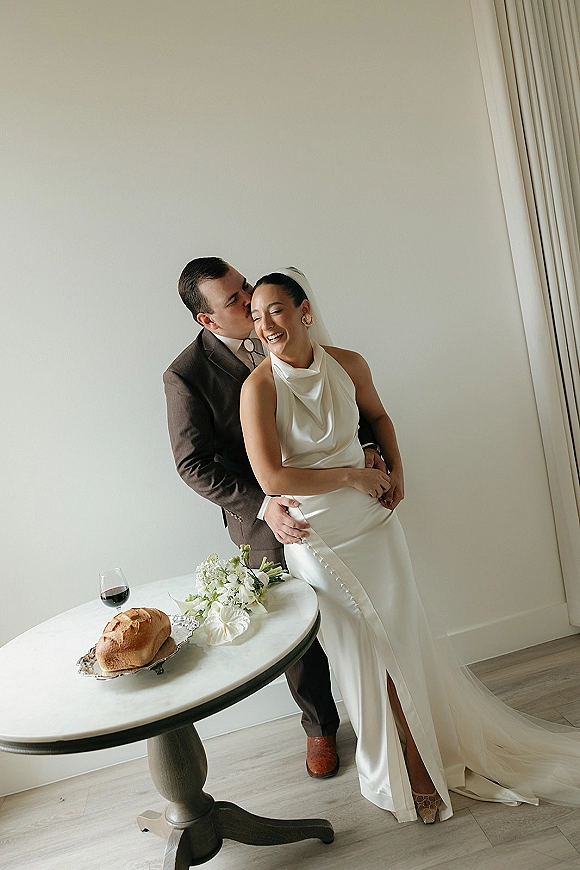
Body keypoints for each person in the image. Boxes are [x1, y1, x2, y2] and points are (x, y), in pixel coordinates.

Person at [240, 267, 580, 824]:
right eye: (255, 317)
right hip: (319, 539)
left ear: (304, 310)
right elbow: (273, 478)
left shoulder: (349, 363)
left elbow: (378, 416)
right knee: (362, 652)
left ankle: (426, 755)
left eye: (275, 309)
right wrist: (352, 475)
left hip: (376, 526)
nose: (265, 325)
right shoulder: (258, 389)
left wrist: (396, 469)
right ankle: (399, 766)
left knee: (402, 638)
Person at [163, 257, 384, 778]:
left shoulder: (284, 322)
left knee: (365, 606)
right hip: (268, 519)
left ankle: (385, 708)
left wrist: (370, 450)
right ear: (207, 321)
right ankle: (321, 730)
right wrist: (265, 503)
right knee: (301, 633)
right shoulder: (185, 376)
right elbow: (191, 464)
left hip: (344, 503)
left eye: (244, 287)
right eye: (234, 300)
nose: (248, 300)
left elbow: (346, 402)